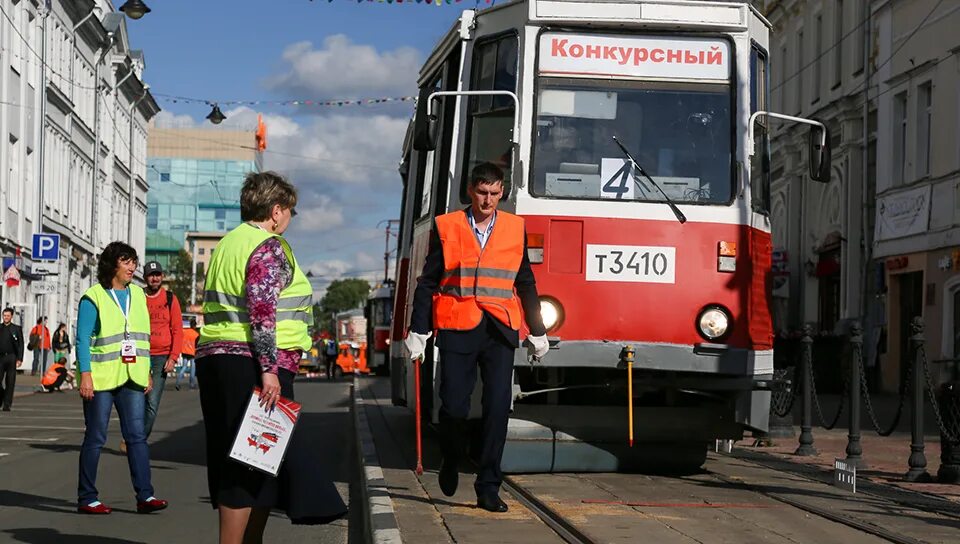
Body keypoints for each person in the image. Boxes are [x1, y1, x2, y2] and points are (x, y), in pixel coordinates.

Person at [197, 171, 346, 543]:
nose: (290, 220)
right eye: (290, 211)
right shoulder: (269, 247)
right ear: (276, 211)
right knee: (249, 464)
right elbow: (263, 313)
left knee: (257, 462)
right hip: (255, 364)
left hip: (218, 359)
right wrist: (268, 371)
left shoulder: (230, 243)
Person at [405, 162, 551, 513]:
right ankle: (452, 457)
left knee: (498, 407)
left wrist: (538, 330)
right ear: (471, 191)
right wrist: (418, 330)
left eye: (495, 193)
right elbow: (428, 282)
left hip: (500, 329)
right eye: (482, 192)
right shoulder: (449, 226)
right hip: (458, 326)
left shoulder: (515, 228)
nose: (488, 200)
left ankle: (488, 486)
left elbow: (525, 282)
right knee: (453, 406)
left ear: (502, 192)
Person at [75, 241, 167, 515]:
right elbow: (82, 340)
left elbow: (143, 336)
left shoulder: (138, 295)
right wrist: (86, 375)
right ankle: (87, 497)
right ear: (112, 264)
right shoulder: (94, 296)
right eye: (126, 261)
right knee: (96, 437)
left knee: (137, 437)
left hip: (132, 376)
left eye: (134, 262)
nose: (132, 267)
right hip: (102, 378)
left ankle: (145, 496)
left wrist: (147, 370)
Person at [141, 261, 183, 441]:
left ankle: (137, 440)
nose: (155, 278)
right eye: (151, 275)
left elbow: (177, 329)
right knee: (136, 401)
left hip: (160, 357)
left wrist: (173, 357)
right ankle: (135, 438)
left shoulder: (170, 298)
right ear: (145, 277)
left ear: (162, 277)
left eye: (157, 274)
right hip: (139, 355)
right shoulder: (137, 296)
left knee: (152, 402)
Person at [0, 307, 24, 411]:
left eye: (8, 316)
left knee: (10, 382)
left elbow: (20, 345)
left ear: (11, 316)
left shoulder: (16, 328)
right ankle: (2, 396)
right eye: (4, 316)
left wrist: (19, 359)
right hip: (0, 357)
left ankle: (7, 404)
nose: (6, 318)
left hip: (11, 357)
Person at [176, 317, 199, 390]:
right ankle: (191, 384)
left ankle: (178, 383)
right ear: (195, 326)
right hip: (192, 353)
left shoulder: (184, 331)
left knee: (184, 367)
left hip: (184, 352)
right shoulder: (196, 334)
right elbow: (197, 345)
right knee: (193, 368)